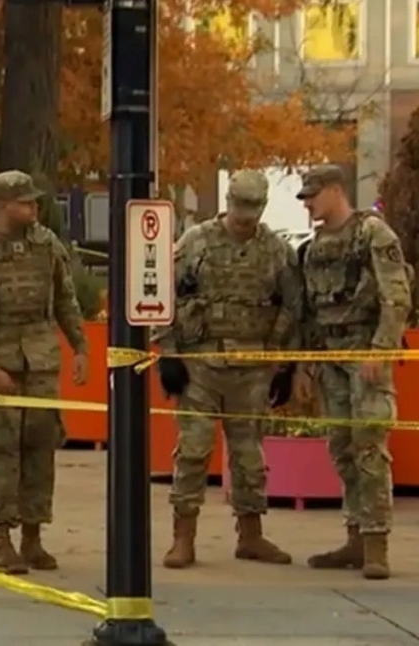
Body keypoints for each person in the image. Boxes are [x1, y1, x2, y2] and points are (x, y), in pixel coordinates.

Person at [151, 169, 301, 569]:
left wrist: (285, 364)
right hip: (201, 366)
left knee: (249, 455)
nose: (244, 217)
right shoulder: (196, 242)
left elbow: (293, 308)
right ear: (228, 202)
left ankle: (250, 535)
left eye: (253, 209)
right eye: (239, 207)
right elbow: (162, 294)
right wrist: (168, 353)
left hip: (252, 368)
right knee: (193, 451)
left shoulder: (276, 251)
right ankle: (183, 538)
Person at [0, 170, 89, 574]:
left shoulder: (47, 244)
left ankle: (33, 537)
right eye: (24, 202)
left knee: (41, 449)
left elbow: (65, 299)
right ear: (2, 205)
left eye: (34, 201)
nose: (33, 208)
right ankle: (1, 540)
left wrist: (80, 347)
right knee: (0, 453)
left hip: (41, 364)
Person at [295, 165, 412, 580]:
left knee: (369, 447)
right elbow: (309, 313)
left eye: (313, 195)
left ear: (335, 190)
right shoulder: (312, 249)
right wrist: (305, 367)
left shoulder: (372, 233)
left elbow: (397, 296)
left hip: (366, 356)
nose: (308, 204)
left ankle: (376, 543)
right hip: (329, 360)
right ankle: (355, 538)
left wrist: (380, 349)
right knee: (342, 448)